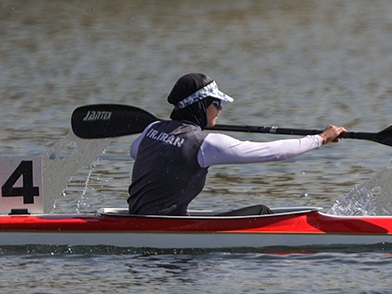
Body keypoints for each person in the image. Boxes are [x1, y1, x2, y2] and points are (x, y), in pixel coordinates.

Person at [128, 73, 345, 216]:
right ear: (201, 105)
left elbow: (135, 152)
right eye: (217, 103)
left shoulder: (152, 129)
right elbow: (270, 152)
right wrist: (320, 138)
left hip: (137, 220)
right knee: (261, 212)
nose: (220, 108)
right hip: (166, 229)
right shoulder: (207, 144)